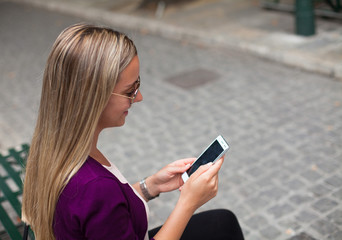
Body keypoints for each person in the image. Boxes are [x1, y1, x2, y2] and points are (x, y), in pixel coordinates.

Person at [22, 23, 244, 240]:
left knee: (222, 222)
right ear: (92, 98)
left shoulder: (58, 150)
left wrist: (152, 186)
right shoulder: (95, 188)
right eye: (130, 90)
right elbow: (101, 203)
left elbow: (105, 215)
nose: (139, 97)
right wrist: (188, 203)